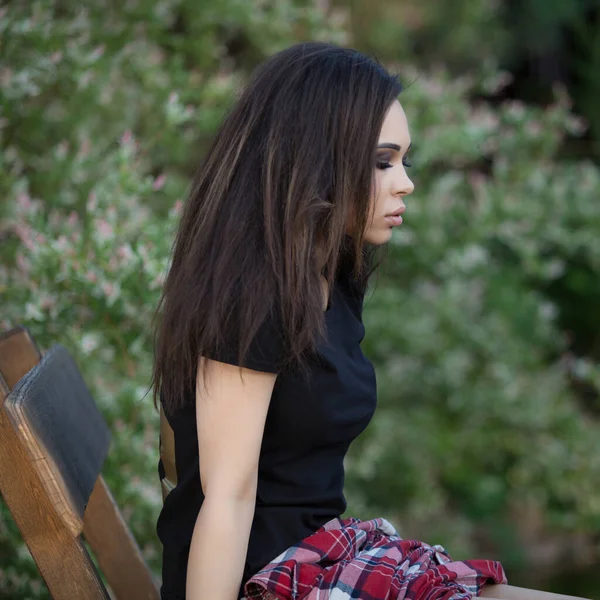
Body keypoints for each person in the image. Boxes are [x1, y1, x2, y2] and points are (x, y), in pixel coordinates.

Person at [150, 42, 580, 600]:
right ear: (316, 162)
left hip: (327, 553)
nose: (406, 182)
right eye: (383, 162)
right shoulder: (252, 301)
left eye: (404, 160)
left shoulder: (332, 277)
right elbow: (225, 496)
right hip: (270, 580)